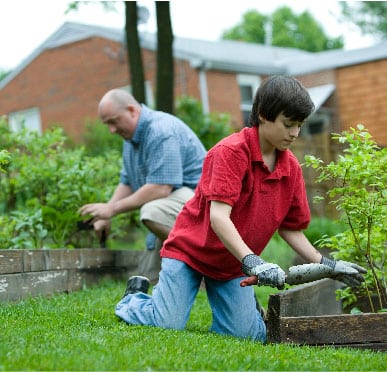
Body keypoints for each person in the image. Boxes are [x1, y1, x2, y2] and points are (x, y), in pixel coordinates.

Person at [114, 76, 366, 343]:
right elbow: (219, 217)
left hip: (233, 264)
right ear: (262, 116)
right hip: (190, 253)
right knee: (166, 324)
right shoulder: (230, 152)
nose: (295, 133)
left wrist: (328, 265)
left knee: (247, 336)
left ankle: (245, 313)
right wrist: (254, 262)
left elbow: (290, 229)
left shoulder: (290, 168)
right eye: (288, 124)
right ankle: (134, 299)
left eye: (299, 126)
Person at [79, 89, 207, 283]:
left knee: (152, 211)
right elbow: (127, 182)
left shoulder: (160, 130)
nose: (111, 130)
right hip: (175, 207)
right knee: (147, 278)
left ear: (132, 110)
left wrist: (112, 209)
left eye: (114, 121)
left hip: (203, 207)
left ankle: (206, 263)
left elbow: (161, 188)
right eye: (107, 125)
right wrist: (104, 213)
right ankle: (182, 274)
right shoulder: (130, 139)